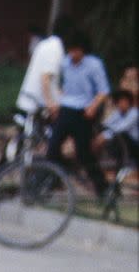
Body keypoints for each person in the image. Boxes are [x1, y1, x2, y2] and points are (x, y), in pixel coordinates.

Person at [47, 29, 110, 197]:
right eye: (71, 50)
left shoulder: (93, 64)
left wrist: (93, 107)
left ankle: (103, 187)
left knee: (83, 152)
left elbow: (103, 91)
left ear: (83, 49)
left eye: (77, 50)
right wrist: (58, 102)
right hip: (66, 108)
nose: (73, 54)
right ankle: (56, 179)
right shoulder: (66, 63)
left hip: (84, 111)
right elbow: (62, 85)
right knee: (52, 148)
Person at [16, 15, 73, 116]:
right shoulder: (56, 48)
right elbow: (45, 78)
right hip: (39, 104)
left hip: (32, 98)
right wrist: (50, 103)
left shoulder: (45, 44)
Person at [96, 88, 138, 165]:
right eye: (118, 102)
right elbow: (106, 124)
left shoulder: (134, 113)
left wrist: (105, 135)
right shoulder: (118, 113)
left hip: (135, 144)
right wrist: (103, 134)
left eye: (123, 101)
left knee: (120, 135)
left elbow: (121, 128)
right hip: (122, 142)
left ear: (129, 101)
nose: (121, 104)